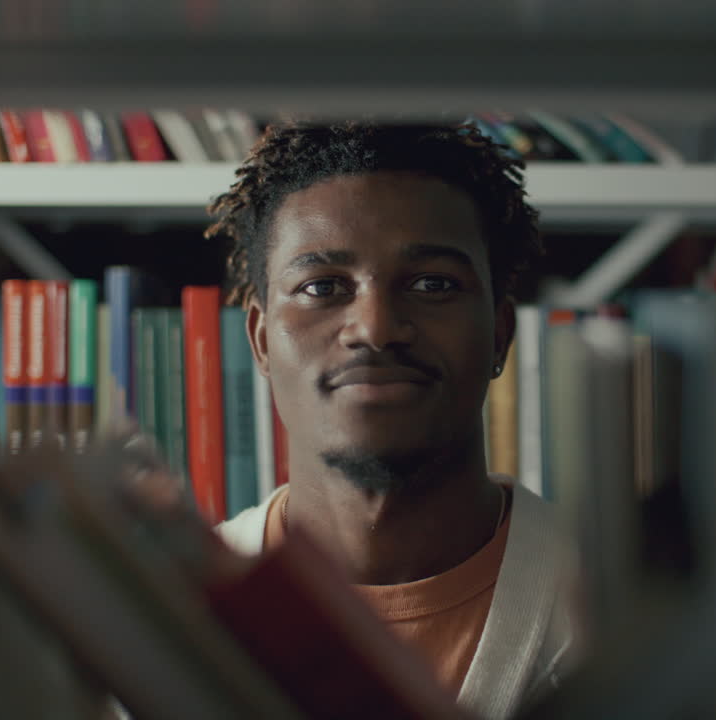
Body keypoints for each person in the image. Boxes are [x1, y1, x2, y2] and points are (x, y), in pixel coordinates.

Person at [207, 122, 578, 719]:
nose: (375, 329)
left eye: (433, 284)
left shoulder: (627, 615)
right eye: (322, 287)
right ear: (261, 341)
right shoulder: (166, 612)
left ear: (501, 334)